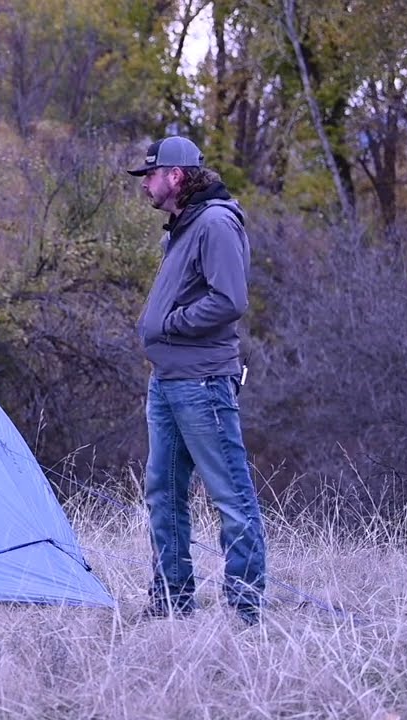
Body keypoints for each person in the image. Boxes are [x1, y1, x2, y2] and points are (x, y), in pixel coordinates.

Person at [127, 136, 267, 625]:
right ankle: (171, 600)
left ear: (177, 176)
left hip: (203, 383)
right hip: (167, 381)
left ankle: (245, 612)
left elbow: (230, 301)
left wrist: (170, 324)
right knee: (163, 493)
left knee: (231, 494)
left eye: (150, 175)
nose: (145, 183)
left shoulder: (215, 222)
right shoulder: (184, 227)